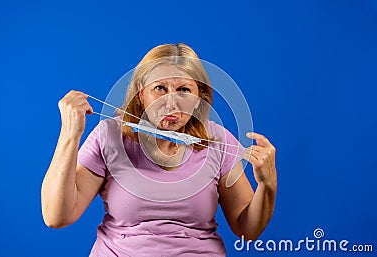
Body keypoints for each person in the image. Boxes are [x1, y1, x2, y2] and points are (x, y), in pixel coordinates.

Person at [41, 43, 277, 256]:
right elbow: (56, 216)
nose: (171, 103)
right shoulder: (110, 136)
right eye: (160, 88)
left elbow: (247, 229)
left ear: (199, 99)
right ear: (141, 94)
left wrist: (268, 185)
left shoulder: (217, 140)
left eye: (184, 90)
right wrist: (70, 134)